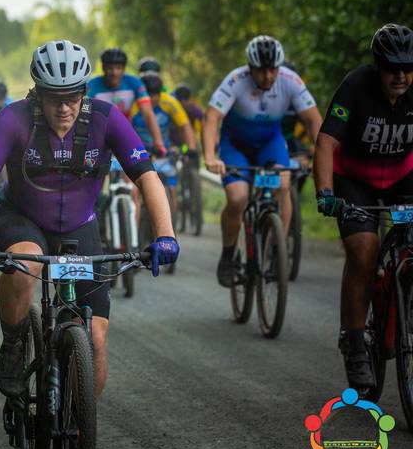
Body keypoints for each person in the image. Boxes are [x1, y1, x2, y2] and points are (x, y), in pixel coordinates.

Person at [0, 39, 179, 400]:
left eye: (72, 97)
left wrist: (165, 235)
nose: (63, 107)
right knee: (26, 263)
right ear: (37, 94)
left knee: (95, 338)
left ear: (84, 92)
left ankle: (80, 426)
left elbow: (147, 177)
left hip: (80, 224)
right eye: (53, 98)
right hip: (22, 218)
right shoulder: (14, 118)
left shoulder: (106, 118)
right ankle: (13, 342)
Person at [314, 23, 413, 388]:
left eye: (408, 68)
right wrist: (326, 194)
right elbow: (325, 143)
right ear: (377, 66)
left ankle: (400, 294)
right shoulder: (356, 86)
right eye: (391, 68)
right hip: (355, 180)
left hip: (404, 176)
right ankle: (355, 343)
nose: (400, 76)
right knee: (363, 250)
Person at [202, 35, 323, 287]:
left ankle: (277, 250)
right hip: (236, 145)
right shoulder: (236, 80)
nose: (268, 76)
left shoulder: (290, 80)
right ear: (250, 68)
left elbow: (313, 119)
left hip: (270, 144)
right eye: (261, 70)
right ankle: (228, 255)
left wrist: (321, 153)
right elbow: (212, 118)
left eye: (273, 70)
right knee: (238, 198)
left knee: (282, 185)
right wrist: (210, 157)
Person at [133, 73, 197, 209]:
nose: (152, 98)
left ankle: (173, 218)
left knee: (172, 189)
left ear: (160, 93)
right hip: (139, 151)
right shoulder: (133, 104)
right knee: (134, 191)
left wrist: (191, 148)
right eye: (148, 94)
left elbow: (185, 126)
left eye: (155, 94)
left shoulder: (170, 102)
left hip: (163, 151)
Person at [87, 48, 166, 155]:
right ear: (103, 68)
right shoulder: (91, 85)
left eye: (118, 68)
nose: (114, 72)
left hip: (124, 134)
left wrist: (158, 143)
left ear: (124, 69)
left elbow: (148, 114)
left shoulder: (134, 83)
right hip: (99, 136)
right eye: (110, 68)